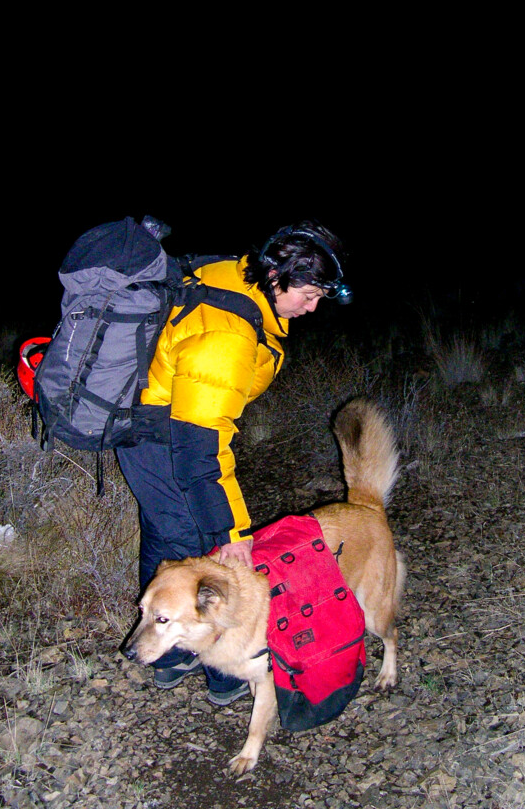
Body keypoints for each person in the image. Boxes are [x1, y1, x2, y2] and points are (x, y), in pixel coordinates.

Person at [118, 220, 351, 704]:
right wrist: (232, 531)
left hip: (145, 431)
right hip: (166, 438)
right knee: (213, 560)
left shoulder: (235, 274)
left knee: (167, 539)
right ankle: (225, 671)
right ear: (276, 276)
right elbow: (199, 448)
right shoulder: (229, 335)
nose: (310, 308)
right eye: (307, 295)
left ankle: (170, 655)